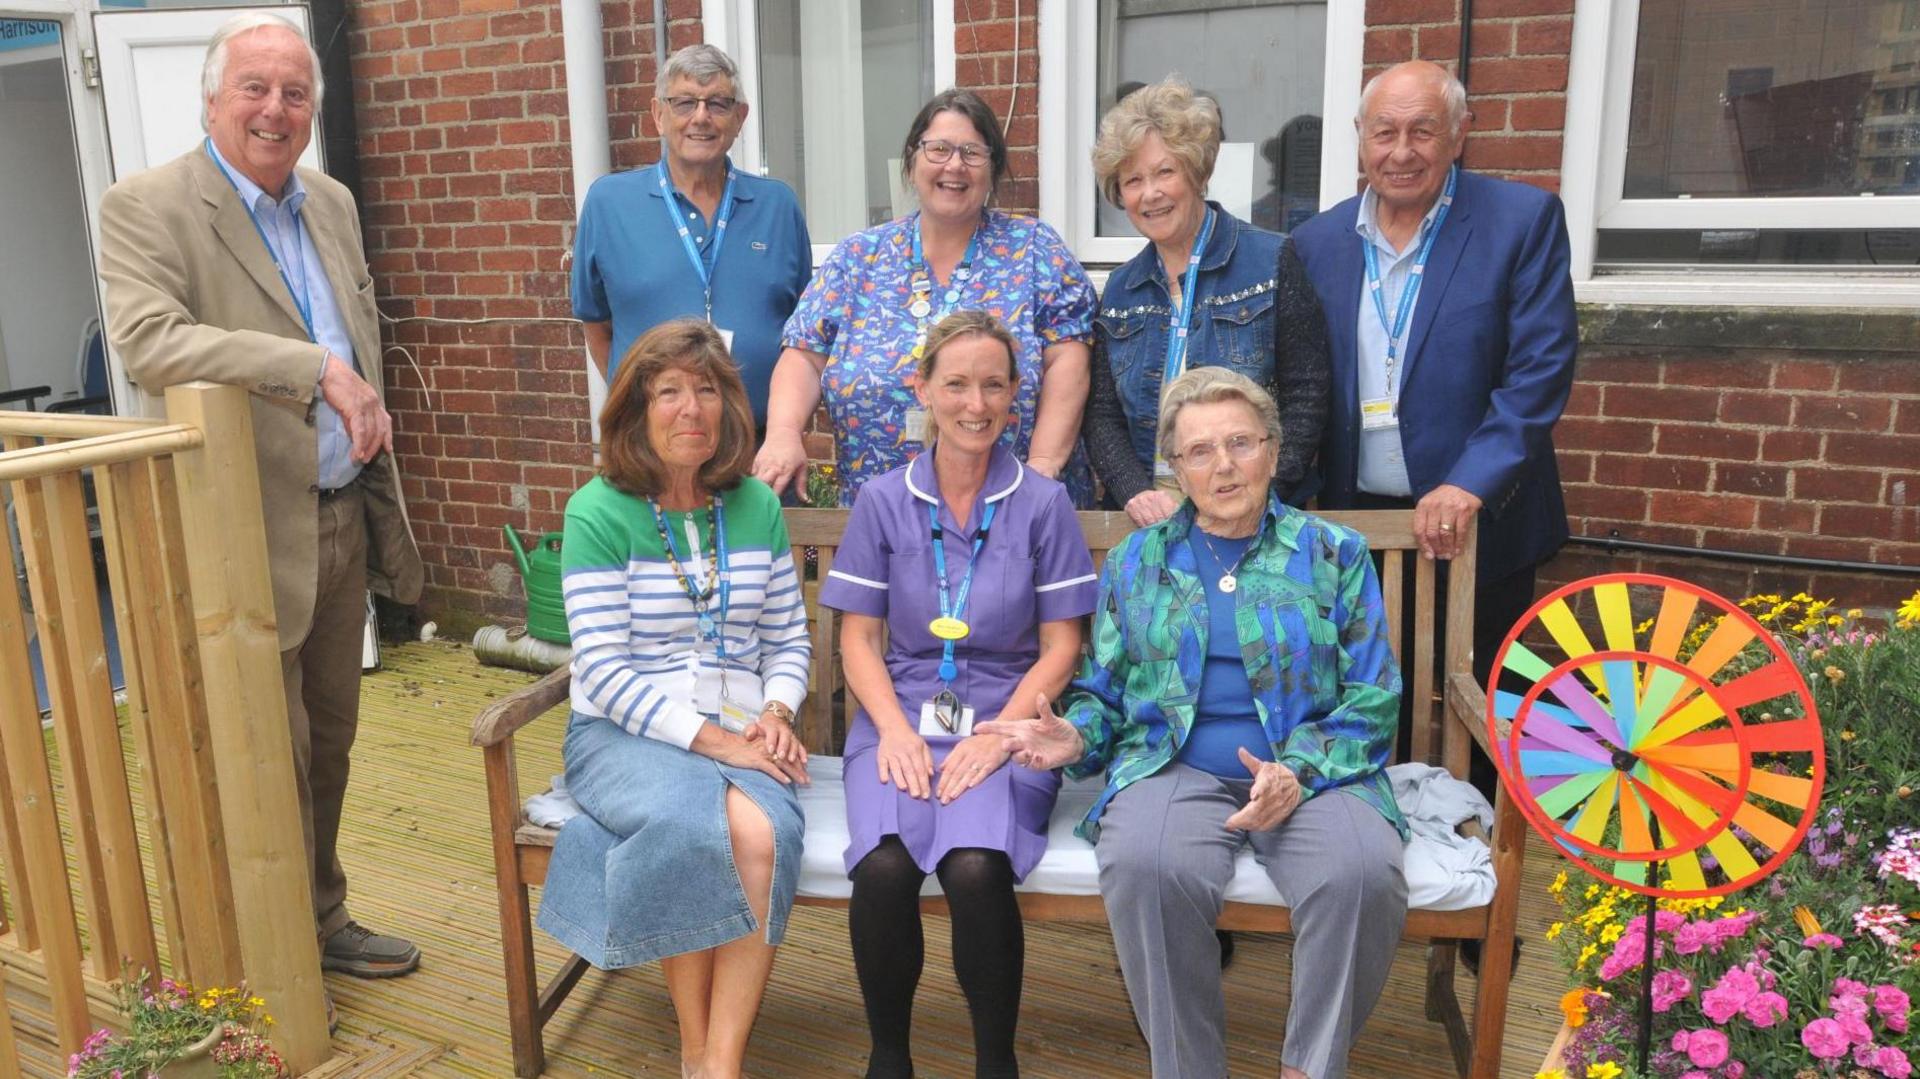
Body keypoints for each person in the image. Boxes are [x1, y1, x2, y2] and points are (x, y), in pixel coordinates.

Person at [97, 12, 425, 979]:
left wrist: (357, 398)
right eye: (255, 88)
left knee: (328, 743)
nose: (276, 110)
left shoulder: (328, 201)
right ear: (212, 96)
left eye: (295, 93)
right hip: (238, 531)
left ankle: (321, 916)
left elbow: (358, 339)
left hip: (337, 518)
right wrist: (311, 366)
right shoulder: (147, 206)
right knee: (257, 751)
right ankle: (260, 945)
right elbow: (151, 340)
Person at [982, 367, 1407, 1079]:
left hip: (1312, 772)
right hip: (1169, 763)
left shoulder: (1334, 554)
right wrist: (1077, 735)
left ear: (1273, 450)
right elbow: (1106, 690)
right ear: (1176, 468)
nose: (1224, 464)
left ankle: (1310, 1066)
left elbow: (1374, 696)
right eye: (1200, 450)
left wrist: (1296, 770)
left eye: (1240, 442)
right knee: (1146, 864)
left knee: (1362, 873)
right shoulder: (1138, 561)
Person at [818, 311, 1096, 1079]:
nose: (976, 404)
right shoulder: (882, 499)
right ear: (923, 388)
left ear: (1016, 395)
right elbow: (859, 640)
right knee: (882, 868)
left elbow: (1062, 646)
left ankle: (994, 1062)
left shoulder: (1042, 502)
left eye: (995, 385)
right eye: (957, 384)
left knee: (976, 866)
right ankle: (889, 1058)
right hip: (900, 709)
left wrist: (1000, 733)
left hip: (1014, 714)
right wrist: (896, 732)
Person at [539, 319, 811, 1079]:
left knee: (761, 835)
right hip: (622, 737)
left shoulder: (754, 504)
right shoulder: (598, 510)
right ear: (635, 409)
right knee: (704, 829)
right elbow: (603, 666)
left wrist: (777, 711)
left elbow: (790, 639)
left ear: (727, 404)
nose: (690, 407)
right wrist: (720, 741)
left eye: (706, 389)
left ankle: (715, 1059)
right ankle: (701, 1052)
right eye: (669, 391)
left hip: (743, 727)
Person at [1290, 60, 1578, 694]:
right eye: (1383, 133)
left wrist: (1468, 485)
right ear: (1360, 136)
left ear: (1459, 133)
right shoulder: (1316, 242)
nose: (1400, 153)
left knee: (1476, 701)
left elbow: (1540, 370)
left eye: (1422, 131)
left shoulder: (1521, 221)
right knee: (1365, 699)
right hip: (1357, 523)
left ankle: (1474, 798)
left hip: (1476, 519)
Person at [753, 89, 1096, 507]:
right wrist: (784, 434)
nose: (954, 165)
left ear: (993, 170)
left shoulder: (1035, 251)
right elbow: (804, 356)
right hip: (880, 520)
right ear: (912, 162)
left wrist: (1042, 467)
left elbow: (1069, 359)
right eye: (938, 149)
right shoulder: (859, 257)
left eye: (972, 152)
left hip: (1013, 513)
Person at [1081, 76, 1330, 528]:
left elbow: (1307, 394)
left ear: (1197, 172)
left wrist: (1256, 496)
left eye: (1164, 172)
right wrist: (1134, 492)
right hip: (1151, 522)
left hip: (1252, 518)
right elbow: (1101, 415)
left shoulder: (1271, 261)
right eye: (1133, 180)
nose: (1150, 194)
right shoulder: (1121, 287)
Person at [571, 43, 811, 426]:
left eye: (717, 103)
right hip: (649, 448)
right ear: (658, 115)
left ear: (740, 117)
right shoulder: (608, 203)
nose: (701, 117)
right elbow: (597, 325)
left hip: (758, 447)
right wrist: (642, 407)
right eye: (684, 103)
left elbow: (804, 330)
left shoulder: (777, 205)